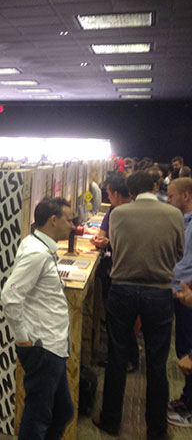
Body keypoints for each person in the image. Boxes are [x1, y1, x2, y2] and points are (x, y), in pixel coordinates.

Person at [96, 171, 184, 439]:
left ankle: (110, 420)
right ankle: (156, 430)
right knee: (157, 364)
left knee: (117, 357)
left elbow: (114, 246)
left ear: (131, 191)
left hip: (122, 289)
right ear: (155, 187)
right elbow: (179, 252)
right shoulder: (174, 215)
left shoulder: (118, 214)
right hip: (159, 292)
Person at [1, 197, 76, 440]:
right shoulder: (37, 253)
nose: (73, 226)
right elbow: (10, 296)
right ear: (53, 220)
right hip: (42, 347)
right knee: (38, 417)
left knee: (63, 411)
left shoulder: (38, 245)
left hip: (52, 345)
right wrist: (23, 339)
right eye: (69, 220)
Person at [90, 174, 139, 371]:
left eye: (109, 194)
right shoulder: (113, 210)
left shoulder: (129, 214)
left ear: (117, 194)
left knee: (121, 320)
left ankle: (127, 360)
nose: (108, 197)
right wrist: (103, 241)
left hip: (122, 273)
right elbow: (104, 233)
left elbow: (130, 245)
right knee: (115, 319)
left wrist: (108, 243)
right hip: (112, 269)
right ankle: (118, 358)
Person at [166, 177, 192, 427]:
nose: (168, 200)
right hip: (180, 292)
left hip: (187, 294)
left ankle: (189, 407)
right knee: (183, 347)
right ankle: (186, 398)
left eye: (171, 196)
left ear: (186, 196)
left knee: (188, 350)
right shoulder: (183, 221)